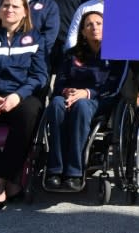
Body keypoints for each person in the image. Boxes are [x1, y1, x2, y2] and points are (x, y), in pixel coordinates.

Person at [0, 0, 46, 209]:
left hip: (20, 96)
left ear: (25, 12)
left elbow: (39, 77)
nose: (9, 10)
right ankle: (6, 180)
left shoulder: (35, 39)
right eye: (5, 5)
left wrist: (18, 96)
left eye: (15, 6)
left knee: (29, 116)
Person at [44, 11, 128, 191]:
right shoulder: (71, 55)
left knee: (82, 106)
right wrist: (68, 91)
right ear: (82, 31)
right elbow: (59, 82)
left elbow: (114, 87)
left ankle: (74, 171)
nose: (94, 27)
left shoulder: (116, 55)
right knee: (56, 104)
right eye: (89, 24)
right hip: (69, 99)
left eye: (99, 23)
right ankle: (54, 170)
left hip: (99, 101)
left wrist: (86, 93)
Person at [12, 0, 60, 69]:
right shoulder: (1, 4)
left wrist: (27, 55)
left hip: (35, 64)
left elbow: (49, 38)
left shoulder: (49, 6)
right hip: (4, 62)